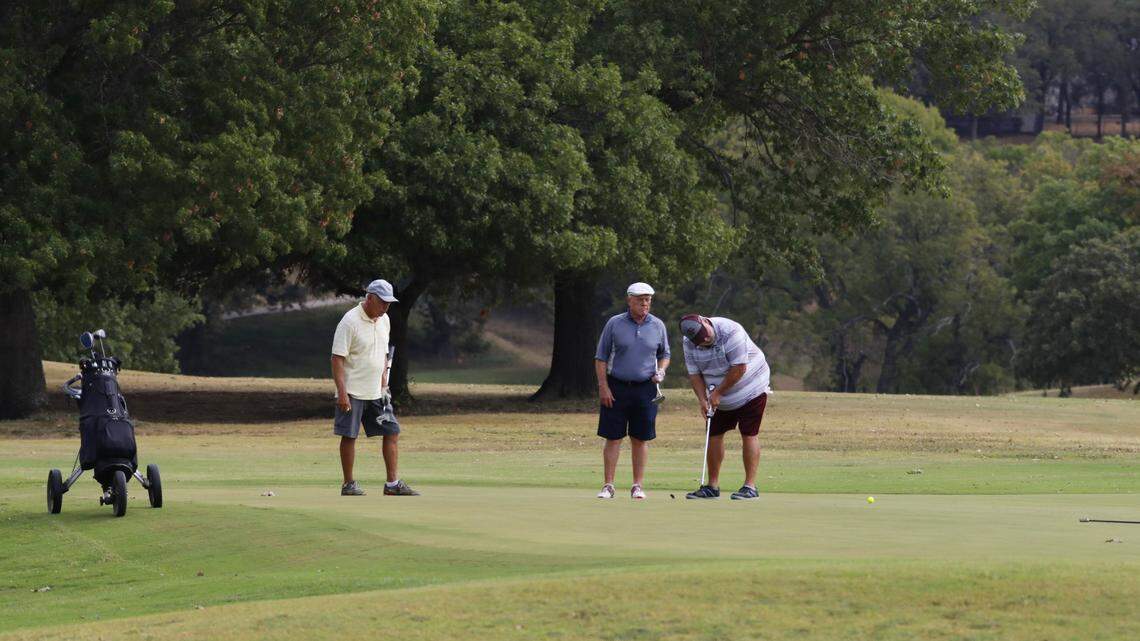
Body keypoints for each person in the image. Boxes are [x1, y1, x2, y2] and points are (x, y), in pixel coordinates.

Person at [331, 279, 418, 497]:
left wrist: (384, 384)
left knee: (392, 431)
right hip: (352, 391)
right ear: (369, 298)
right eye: (382, 302)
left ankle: (392, 484)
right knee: (350, 436)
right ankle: (348, 484)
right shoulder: (349, 321)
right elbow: (337, 359)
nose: (386, 307)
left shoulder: (384, 320)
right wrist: (342, 393)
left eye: (389, 303)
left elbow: (383, 353)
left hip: (377, 392)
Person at [678, 313, 770, 500]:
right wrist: (703, 399)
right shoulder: (689, 342)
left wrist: (718, 393)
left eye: (706, 337)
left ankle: (750, 487)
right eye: (700, 342)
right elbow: (694, 374)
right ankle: (712, 486)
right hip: (716, 391)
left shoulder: (730, 331)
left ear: (705, 321)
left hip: (752, 386)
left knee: (749, 433)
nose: (704, 341)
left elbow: (739, 368)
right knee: (713, 434)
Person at [593, 282, 670, 499]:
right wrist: (603, 387)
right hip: (616, 386)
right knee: (613, 437)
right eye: (640, 299)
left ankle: (637, 486)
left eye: (648, 299)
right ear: (629, 300)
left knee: (640, 438)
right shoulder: (614, 324)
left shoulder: (658, 325)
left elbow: (665, 354)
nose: (645, 303)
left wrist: (661, 371)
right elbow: (601, 358)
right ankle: (608, 485)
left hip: (646, 388)